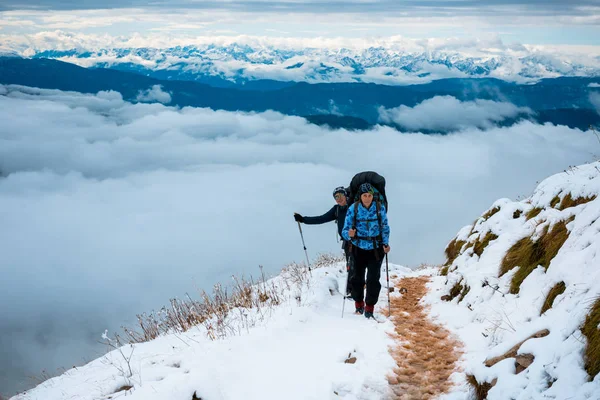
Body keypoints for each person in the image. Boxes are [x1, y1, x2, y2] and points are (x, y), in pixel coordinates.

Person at [342, 182, 390, 319]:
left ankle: (369, 308)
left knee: (373, 279)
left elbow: (385, 227)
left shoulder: (379, 208)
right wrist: (348, 234)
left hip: (376, 248)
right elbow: (345, 230)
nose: (367, 198)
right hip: (358, 247)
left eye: (369, 195)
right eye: (364, 195)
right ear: (360, 196)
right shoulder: (353, 209)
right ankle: (358, 305)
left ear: (373, 196)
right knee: (357, 278)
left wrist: (386, 244)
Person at [294, 186, 353, 294]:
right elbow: (321, 218)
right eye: (336, 197)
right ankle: (352, 293)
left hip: (358, 242)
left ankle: (356, 293)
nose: (338, 198)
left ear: (346, 195)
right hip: (347, 243)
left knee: (357, 266)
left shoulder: (354, 207)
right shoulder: (337, 210)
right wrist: (303, 219)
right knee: (350, 267)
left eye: (340, 195)